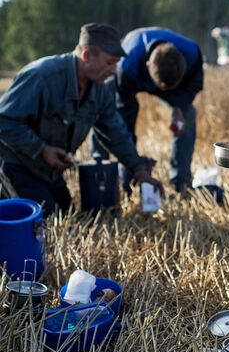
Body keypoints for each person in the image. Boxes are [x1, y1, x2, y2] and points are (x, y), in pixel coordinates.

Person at [0, 23, 163, 216]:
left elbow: (116, 133)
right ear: (86, 55)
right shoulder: (41, 76)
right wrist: (41, 149)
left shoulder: (100, 90)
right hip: (15, 166)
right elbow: (4, 121)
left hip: (48, 173)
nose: (114, 70)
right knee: (45, 221)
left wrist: (140, 171)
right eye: (109, 62)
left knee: (68, 217)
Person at [91, 27, 203, 194]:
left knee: (188, 116)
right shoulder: (126, 66)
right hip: (131, 75)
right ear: (148, 66)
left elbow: (194, 85)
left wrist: (179, 106)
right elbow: (124, 119)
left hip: (174, 86)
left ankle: (181, 183)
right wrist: (136, 168)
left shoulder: (193, 54)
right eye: (159, 88)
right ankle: (115, 177)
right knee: (108, 115)